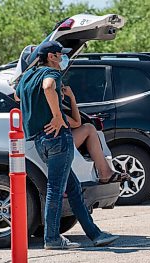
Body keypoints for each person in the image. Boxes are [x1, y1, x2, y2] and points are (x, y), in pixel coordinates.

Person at [15, 41, 119, 249]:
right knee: (55, 189)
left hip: (39, 141)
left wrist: (47, 108)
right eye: (60, 54)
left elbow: (18, 95)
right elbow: (48, 86)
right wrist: (55, 116)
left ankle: (95, 234)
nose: (63, 58)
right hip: (57, 140)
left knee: (73, 188)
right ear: (51, 57)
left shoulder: (26, 76)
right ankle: (52, 238)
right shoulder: (51, 74)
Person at [60, 85, 129, 184]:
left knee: (90, 128)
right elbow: (76, 122)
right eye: (60, 88)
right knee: (89, 128)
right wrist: (71, 97)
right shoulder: (50, 106)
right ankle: (104, 172)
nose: (63, 91)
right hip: (56, 144)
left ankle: (104, 171)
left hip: (56, 142)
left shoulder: (57, 105)